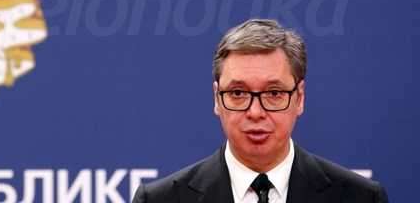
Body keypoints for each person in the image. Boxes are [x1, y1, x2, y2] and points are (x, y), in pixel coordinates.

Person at [132, 19, 388, 203]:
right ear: (216, 98)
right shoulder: (160, 200)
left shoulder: (360, 197)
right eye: (238, 93)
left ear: (299, 98)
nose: (255, 112)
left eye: (274, 94)